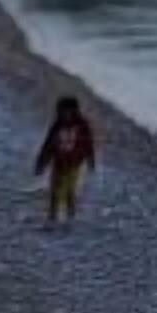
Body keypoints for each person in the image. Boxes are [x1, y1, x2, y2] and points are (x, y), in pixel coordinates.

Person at [33, 95, 98, 228]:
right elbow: (48, 145)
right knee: (54, 190)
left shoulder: (82, 125)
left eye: (67, 111)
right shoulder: (57, 126)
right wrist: (41, 163)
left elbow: (88, 144)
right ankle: (52, 216)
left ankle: (70, 216)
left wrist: (91, 160)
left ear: (74, 111)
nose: (64, 114)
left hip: (74, 164)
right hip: (58, 162)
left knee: (69, 190)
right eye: (62, 111)